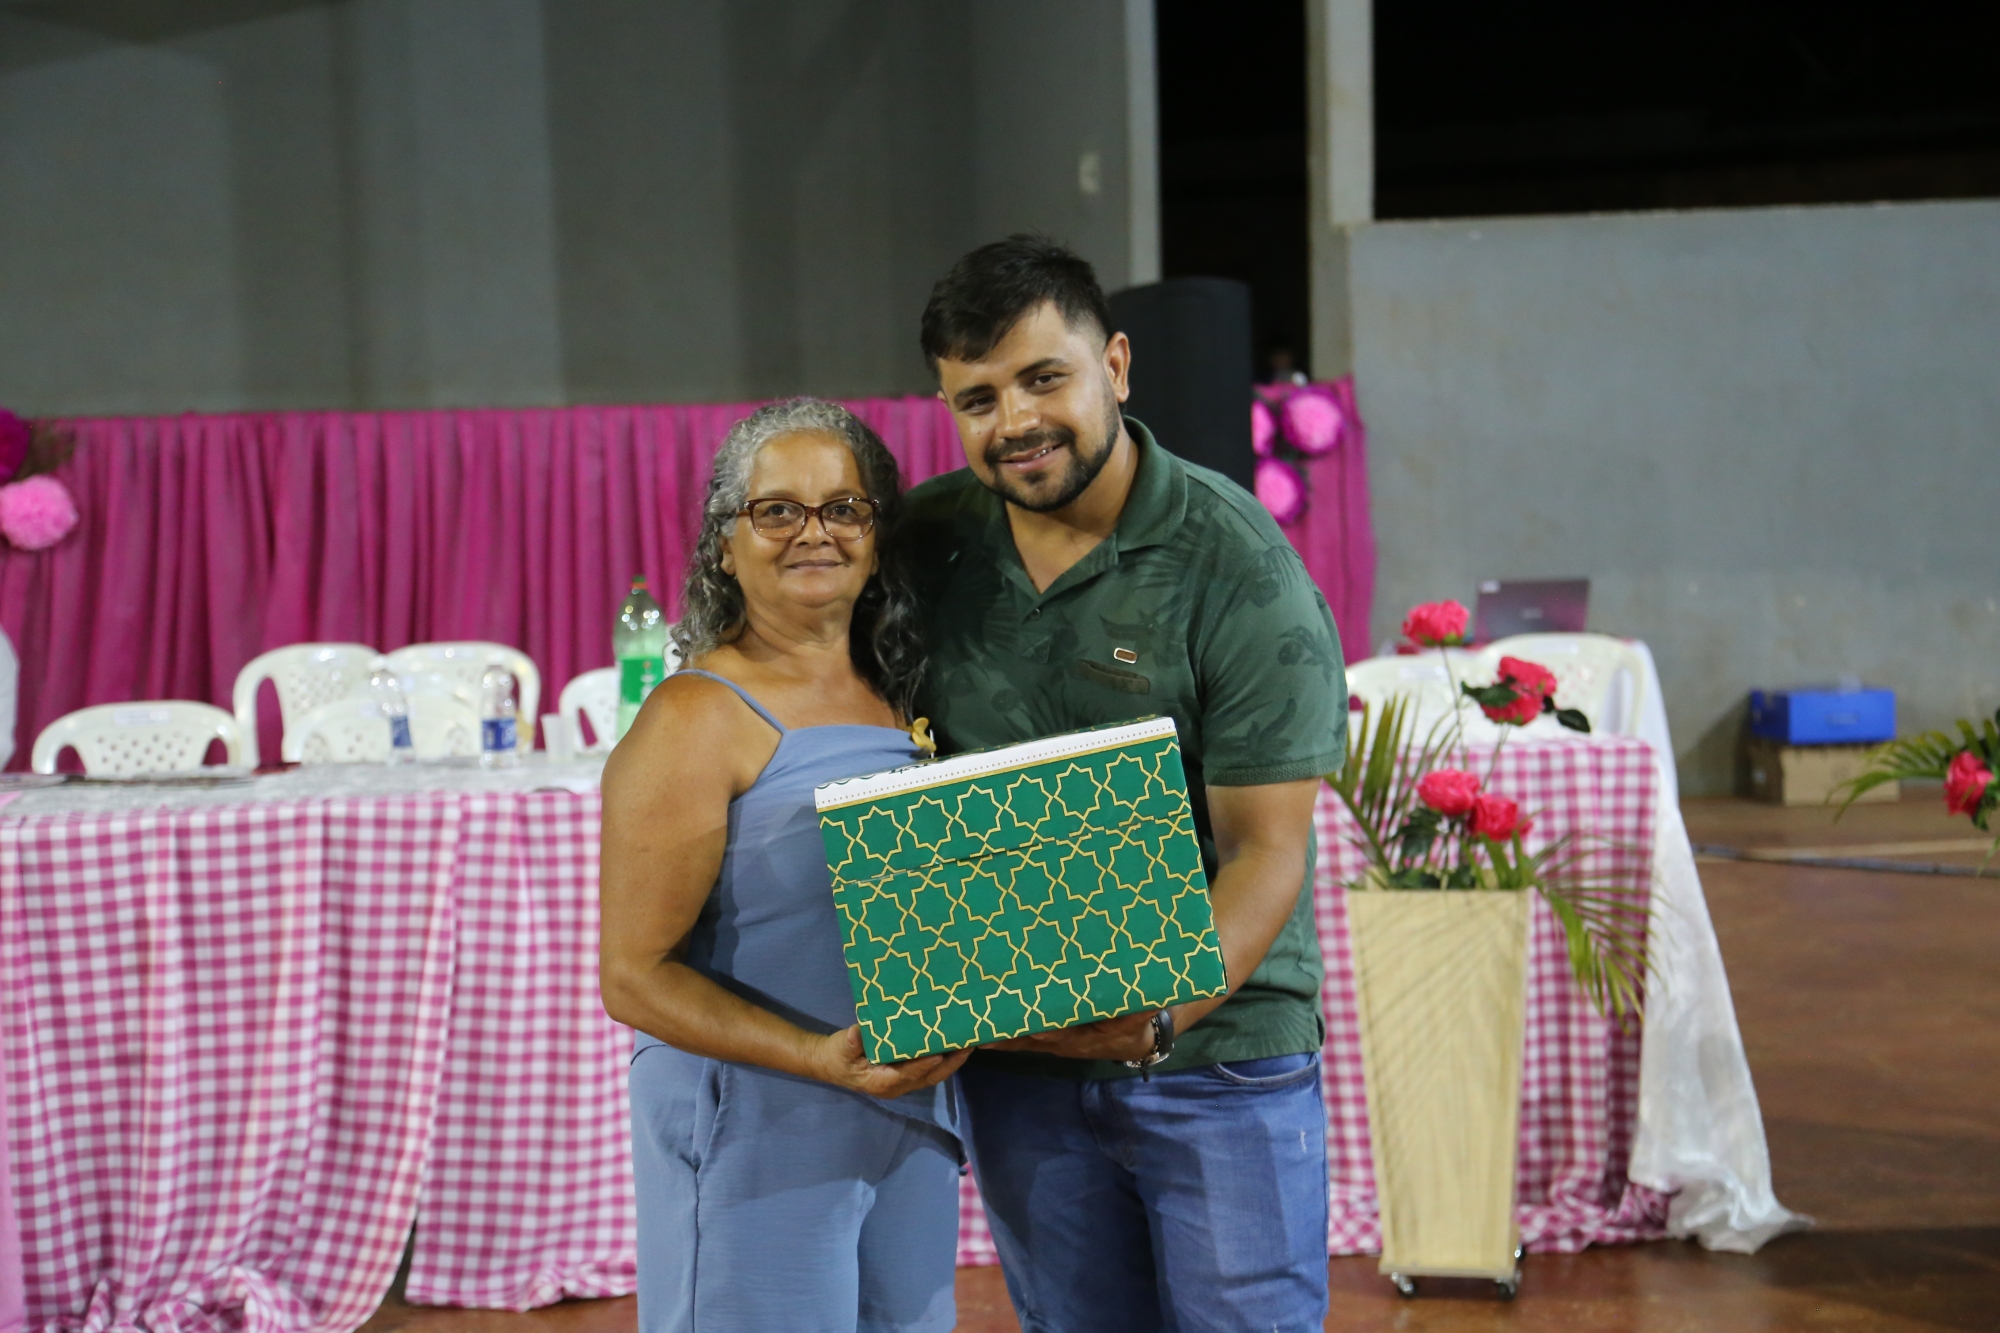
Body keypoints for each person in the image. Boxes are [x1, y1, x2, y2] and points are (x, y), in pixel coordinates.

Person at [903, 235, 1349, 1333]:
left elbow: (1266, 850)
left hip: (1214, 1058)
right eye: (978, 399)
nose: (1015, 420)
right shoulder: (926, 546)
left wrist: (1151, 1019)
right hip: (1018, 1066)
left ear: (1114, 365)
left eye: (1042, 378)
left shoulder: (1233, 562)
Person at [600, 398, 968, 1333]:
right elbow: (633, 977)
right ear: (725, 545)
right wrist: (816, 1057)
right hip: (759, 1128)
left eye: (844, 507)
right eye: (778, 510)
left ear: (877, 537)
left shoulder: (903, 696)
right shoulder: (693, 717)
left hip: (908, 1115)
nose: (816, 532)